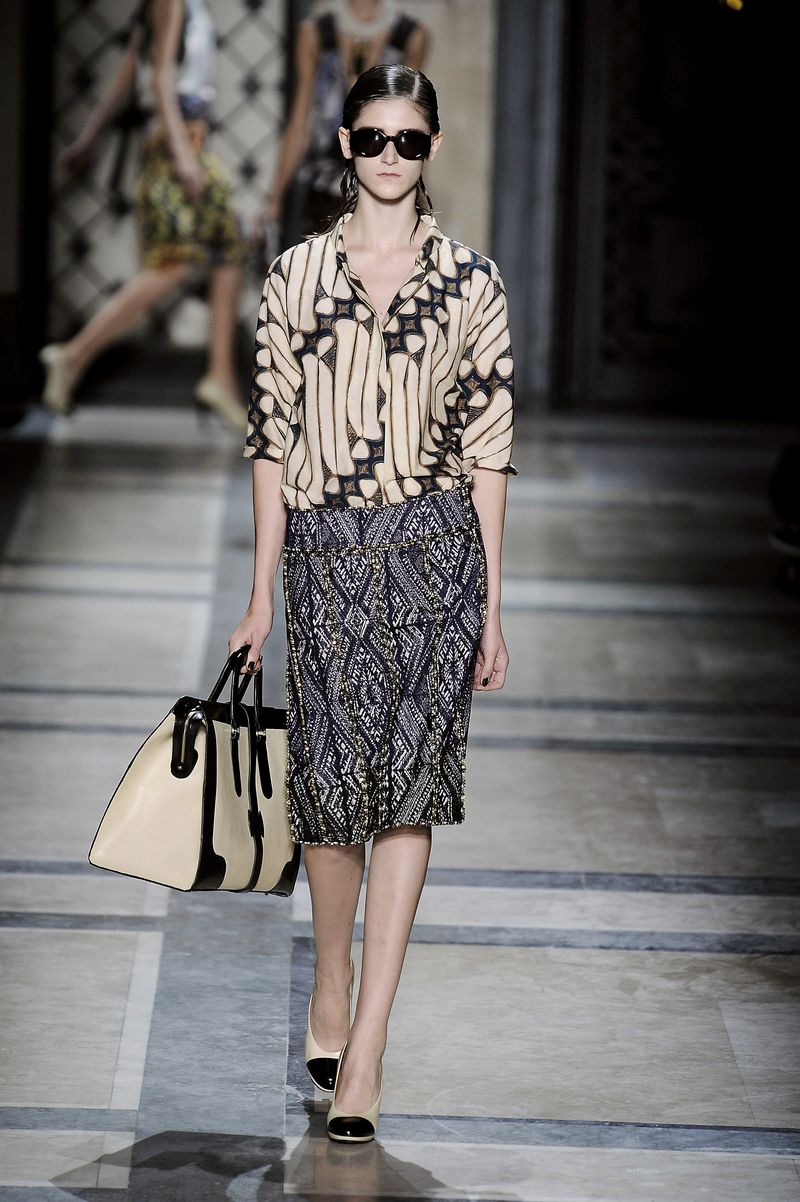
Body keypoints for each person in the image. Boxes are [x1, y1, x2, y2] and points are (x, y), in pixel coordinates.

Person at [229, 63, 517, 1144]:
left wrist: (488, 603)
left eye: (407, 140)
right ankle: (332, 970)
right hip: (327, 556)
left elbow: (489, 452)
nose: (388, 157)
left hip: (434, 555)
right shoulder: (296, 276)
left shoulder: (472, 282)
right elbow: (270, 440)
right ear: (342, 148)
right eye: (371, 140)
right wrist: (260, 591)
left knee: (409, 792)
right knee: (330, 796)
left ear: (430, 149)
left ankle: (368, 1048)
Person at [39, 0, 249, 430]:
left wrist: (89, 136)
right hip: (178, 147)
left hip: (185, 144)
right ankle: (73, 355)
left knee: (229, 250)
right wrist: (184, 157)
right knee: (174, 263)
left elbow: (129, 72)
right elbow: (158, 79)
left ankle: (220, 375)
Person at [260, 0, 428, 247]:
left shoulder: (411, 37)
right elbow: (300, 122)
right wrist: (273, 199)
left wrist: (421, 203)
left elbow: (413, 128)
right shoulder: (315, 34)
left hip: (384, 186)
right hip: (322, 190)